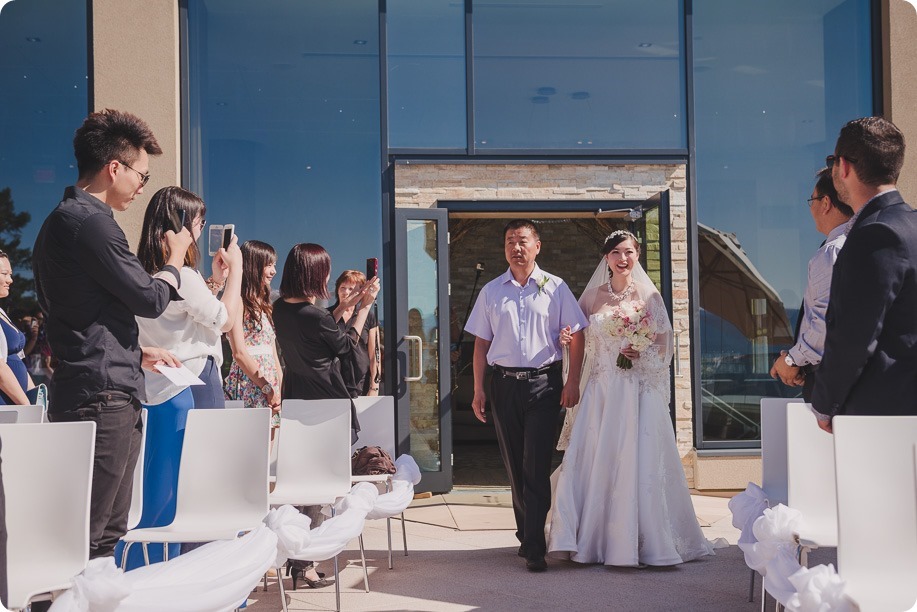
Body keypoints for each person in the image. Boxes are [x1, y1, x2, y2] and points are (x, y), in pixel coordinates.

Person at [31, 109, 192, 560]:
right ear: (114, 168)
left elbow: (78, 314)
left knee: (95, 531)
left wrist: (134, 351)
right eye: (142, 176)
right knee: (92, 535)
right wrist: (175, 260)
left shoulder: (57, 224)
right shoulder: (92, 222)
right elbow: (149, 298)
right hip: (102, 396)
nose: (143, 187)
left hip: (97, 386)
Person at [548, 230, 713, 566]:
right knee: (593, 458)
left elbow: (664, 345)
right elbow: (575, 333)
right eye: (615, 253)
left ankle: (640, 540)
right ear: (606, 258)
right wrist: (565, 336)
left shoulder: (649, 296)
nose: (623, 259)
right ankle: (587, 539)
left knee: (637, 462)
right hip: (601, 391)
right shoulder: (592, 297)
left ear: (637, 255)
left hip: (635, 391)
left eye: (629, 252)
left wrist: (640, 351)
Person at [124, 186, 242, 567]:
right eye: (197, 223)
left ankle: (158, 564)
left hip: (161, 384)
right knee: (203, 480)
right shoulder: (183, 276)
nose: (201, 230)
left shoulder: (146, 276)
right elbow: (224, 321)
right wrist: (237, 272)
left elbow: (185, 315)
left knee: (169, 478)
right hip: (197, 379)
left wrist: (215, 281)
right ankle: (201, 568)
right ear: (178, 226)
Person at [464, 220, 588, 572]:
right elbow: (481, 344)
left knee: (535, 463)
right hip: (503, 385)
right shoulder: (491, 291)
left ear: (537, 246)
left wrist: (572, 380)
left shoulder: (556, 288)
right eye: (509, 242)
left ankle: (535, 546)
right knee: (514, 465)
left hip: (544, 384)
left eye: (522, 241)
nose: (515, 247)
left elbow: (577, 335)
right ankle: (526, 533)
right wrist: (477, 389)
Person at [272, 243, 379, 588]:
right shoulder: (315, 316)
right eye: (325, 270)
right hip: (328, 406)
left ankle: (295, 556)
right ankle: (304, 563)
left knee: (301, 483)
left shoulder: (281, 310)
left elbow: (316, 336)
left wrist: (343, 307)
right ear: (314, 274)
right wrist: (363, 308)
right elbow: (347, 347)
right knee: (320, 489)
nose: (330, 277)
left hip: (297, 402)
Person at [813, 116, 917, 429]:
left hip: (881, 419)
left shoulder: (874, 233)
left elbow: (854, 335)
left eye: (832, 161)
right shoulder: (910, 224)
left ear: (843, 167)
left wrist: (824, 405)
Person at [769, 168, 852, 401]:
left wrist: (792, 360)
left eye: (811, 200)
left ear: (825, 203)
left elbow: (826, 322)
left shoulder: (832, 252)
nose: (811, 208)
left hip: (831, 382)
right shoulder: (857, 243)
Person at [224, 240, 283, 430]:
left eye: (274, 265)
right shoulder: (238, 301)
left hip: (269, 382)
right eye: (268, 265)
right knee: (248, 447)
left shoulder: (265, 305)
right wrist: (266, 387)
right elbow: (239, 353)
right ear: (253, 265)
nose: (273, 271)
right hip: (250, 381)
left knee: (267, 447)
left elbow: (273, 354)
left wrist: (279, 387)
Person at [329, 270, 380, 397]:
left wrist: (374, 387)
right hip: (332, 382)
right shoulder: (328, 315)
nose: (346, 292)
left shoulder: (368, 316)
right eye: (342, 287)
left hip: (360, 382)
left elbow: (375, 354)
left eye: (351, 288)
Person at [0, 251, 35, 405]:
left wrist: (35, 398)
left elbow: (18, 360)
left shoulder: (2, 312)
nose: (10, 280)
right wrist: (26, 406)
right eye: (4, 274)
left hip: (17, 404)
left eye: (11, 274)